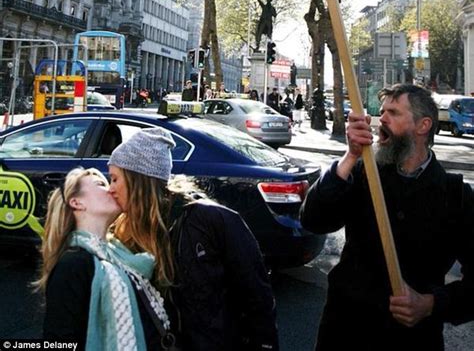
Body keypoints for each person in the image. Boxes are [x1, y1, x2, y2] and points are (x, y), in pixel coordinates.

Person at [300, 83, 474, 351]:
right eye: (382, 111)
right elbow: (313, 220)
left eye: (393, 112)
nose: (381, 119)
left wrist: (430, 304)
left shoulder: (455, 196)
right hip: (344, 334)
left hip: (412, 341)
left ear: (422, 125)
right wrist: (350, 157)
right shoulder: (361, 174)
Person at [109, 127, 279, 351]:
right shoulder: (126, 231)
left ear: (137, 180)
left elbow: (258, 296)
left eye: (114, 179)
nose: (110, 188)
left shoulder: (212, 221)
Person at [39, 167, 176, 350]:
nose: (111, 189)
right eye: (101, 184)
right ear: (77, 202)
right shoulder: (72, 264)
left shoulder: (122, 255)